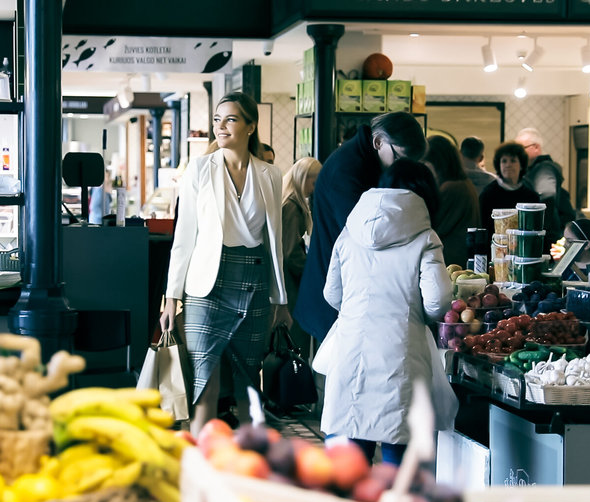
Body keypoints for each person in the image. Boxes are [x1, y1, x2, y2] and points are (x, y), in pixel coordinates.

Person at [159, 92, 290, 436]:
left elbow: (273, 239)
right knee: (205, 385)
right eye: (217, 120)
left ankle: (250, 469)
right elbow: (183, 236)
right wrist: (172, 296)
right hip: (206, 287)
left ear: (251, 126)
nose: (221, 127)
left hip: (254, 282)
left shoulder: (270, 175)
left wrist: (281, 299)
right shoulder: (200, 169)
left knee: (249, 386)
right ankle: (201, 468)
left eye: (230, 119)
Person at [321, 159, 451, 465]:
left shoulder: (351, 230)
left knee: (348, 466)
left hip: (350, 348)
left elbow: (331, 293)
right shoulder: (425, 238)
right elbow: (437, 302)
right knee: (398, 456)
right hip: (400, 352)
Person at [295, 112, 427, 342]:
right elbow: (368, 234)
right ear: (378, 142)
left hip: (348, 285)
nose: (400, 169)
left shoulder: (365, 160)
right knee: (336, 373)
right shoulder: (347, 169)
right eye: (398, 159)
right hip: (333, 290)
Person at [281, 157, 321, 357]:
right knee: (295, 346)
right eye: (313, 183)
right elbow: (291, 255)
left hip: (286, 286)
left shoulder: (287, 202)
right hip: (292, 289)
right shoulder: (293, 208)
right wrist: (313, 272)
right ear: (304, 178)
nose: (314, 189)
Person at [423, 135, 480, 268]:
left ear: (436, 162)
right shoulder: (464, 184)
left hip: (449, 261)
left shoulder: (451, 188)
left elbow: (433, 228)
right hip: (460, 259)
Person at [515, 128, 574, 246]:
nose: (518, 153)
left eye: (521, 149)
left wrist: (535, 226)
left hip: (544, 236)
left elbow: (547, 196)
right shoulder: (531, 170)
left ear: (536, 147)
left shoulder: (544, 168)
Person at [478, 142, 540, 238]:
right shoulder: (488, 194)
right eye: (504, 161)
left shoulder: (531, 196)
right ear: (499, 165)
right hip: (495, 248)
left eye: (513, 160)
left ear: (522, 165)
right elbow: (482, 228)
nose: (508, 165)